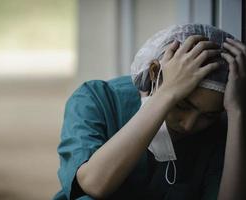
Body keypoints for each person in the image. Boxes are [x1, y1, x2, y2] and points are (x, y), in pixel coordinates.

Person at [53, 24, 246, 200]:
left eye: (208, 116)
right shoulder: (96, 100)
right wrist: (166, 94)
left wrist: (238, 113)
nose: (189, 125)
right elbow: (94, 185)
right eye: (182, 105)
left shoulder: (222, 130)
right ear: (155, 72)